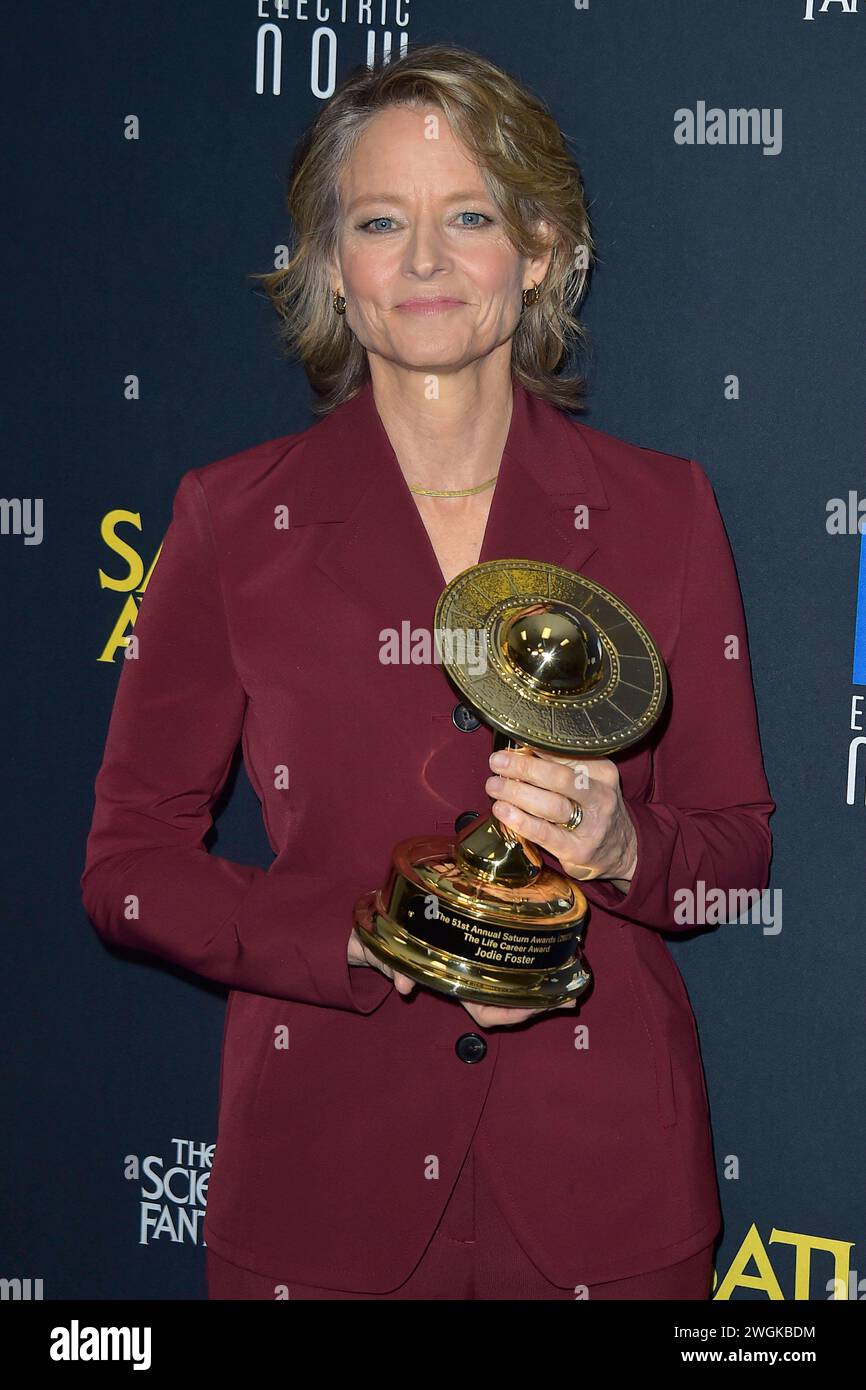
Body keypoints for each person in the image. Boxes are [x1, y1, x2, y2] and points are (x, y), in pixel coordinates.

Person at [81, 43, 774, 1300]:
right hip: (317, 1188)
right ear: (330, 267)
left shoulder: (663, 509)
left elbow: (734, 855)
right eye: (378, 221)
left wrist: (622, 848)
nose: (422, 262)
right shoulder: (232, 519)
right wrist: (361, 942)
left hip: (605, 1193)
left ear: (544, 249)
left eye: (470, 217)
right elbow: (127, 875)